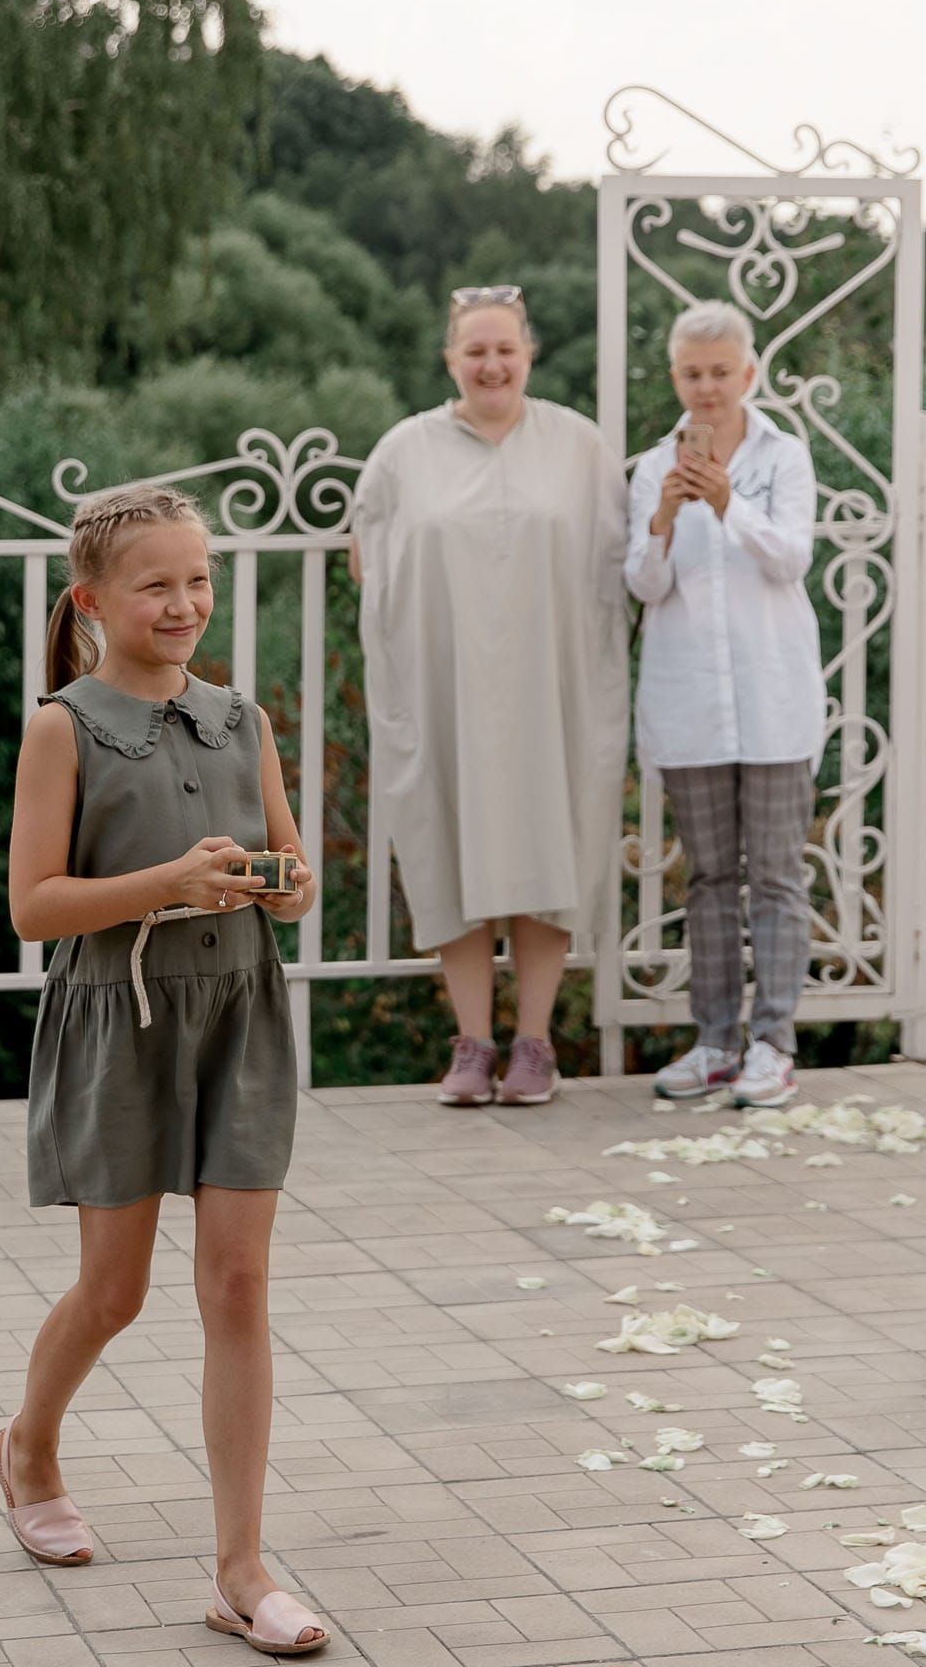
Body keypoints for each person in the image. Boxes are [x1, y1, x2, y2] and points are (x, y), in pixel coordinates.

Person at [0, 480, 329, 1656]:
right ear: (92, 601)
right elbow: (34, 908)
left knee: (236, 1283)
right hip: (116, 1022)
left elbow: (295, 879)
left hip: (240, 1014)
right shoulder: (62, 726)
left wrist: (283, 888)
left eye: (198, 580)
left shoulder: (244, 720)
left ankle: (240, 1571)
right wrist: (169, 884)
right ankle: (29, 1445)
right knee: (117, 1291)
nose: (184, 603)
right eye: (157, 585)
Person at [351, 285, 629, 1104]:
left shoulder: (578, 445)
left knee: (550, 839)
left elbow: (619, 567)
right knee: (450, 838)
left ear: (528, 354)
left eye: (506, 349)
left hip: (552, 687)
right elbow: (368, 555)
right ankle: (472, 1046)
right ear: (451, 360)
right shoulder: (405, 450)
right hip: (447, 688)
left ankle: (534, 1045)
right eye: (475, 351)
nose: (492, 364)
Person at [626, 301, 823, 1108]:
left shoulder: (786, 456)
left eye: (720, 372)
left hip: (774, 699)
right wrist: (666, 515)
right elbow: (644, 585)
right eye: (692, 373)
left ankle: (773, 1045)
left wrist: (728, 502)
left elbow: (791, 559)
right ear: (676, 377)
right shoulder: (651, 467)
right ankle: (714, 1041)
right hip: (690, 703)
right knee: (708, 878)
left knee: (775, 876)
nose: (706, 387)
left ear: (748, 373)